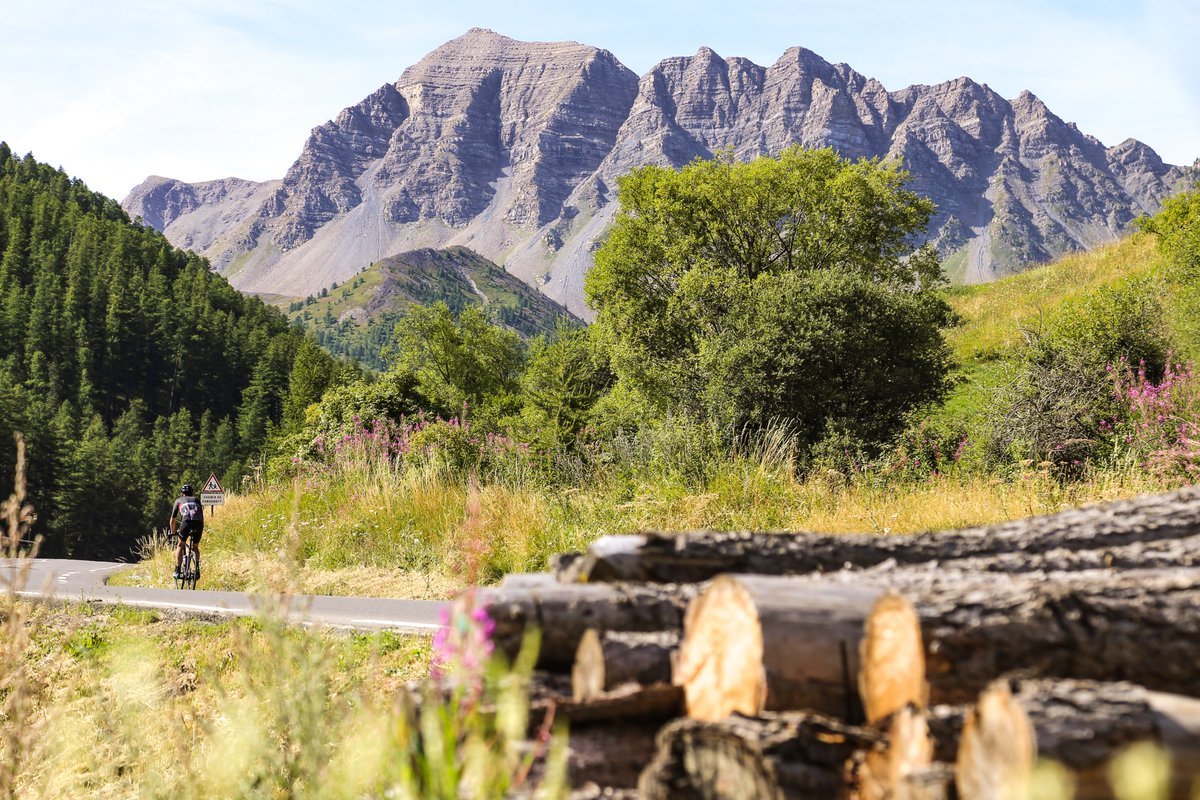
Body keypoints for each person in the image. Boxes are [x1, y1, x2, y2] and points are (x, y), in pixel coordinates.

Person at [168, 483, 204, 580]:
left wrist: (173, 532)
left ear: (181, 493)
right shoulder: (196, 500)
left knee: (180, 545)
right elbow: (201, 514)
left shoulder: (178, 501)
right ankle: (197, 569)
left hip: (187, 522)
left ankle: (178, 570)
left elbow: (172, 520)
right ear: (192, 493)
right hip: (199, 523)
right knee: (195, 547)